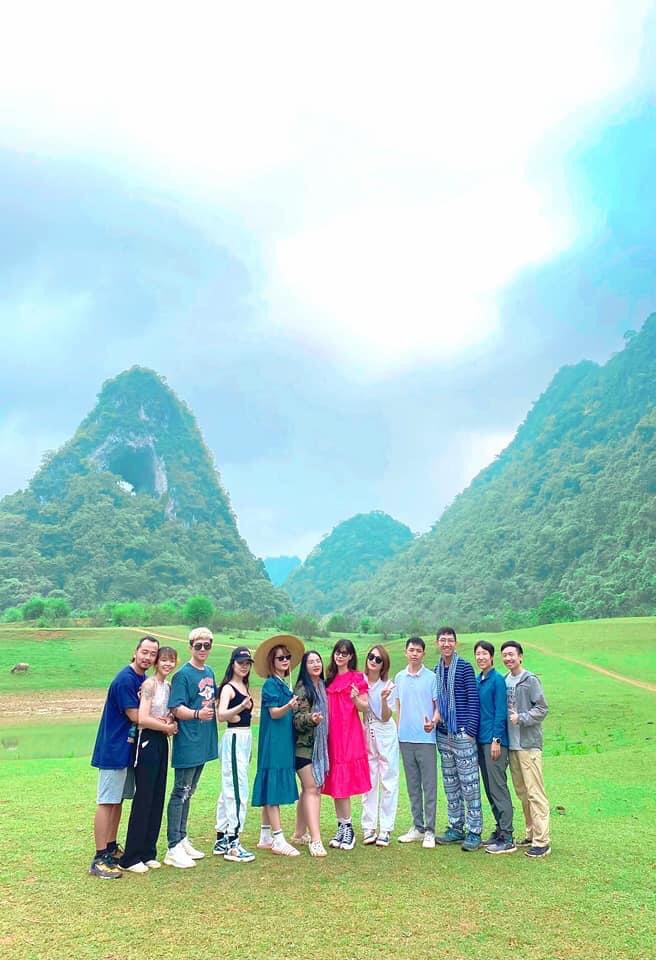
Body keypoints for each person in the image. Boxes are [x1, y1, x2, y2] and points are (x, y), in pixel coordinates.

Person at [89, 634, 160, 879]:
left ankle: (110, 847)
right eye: (145, 652)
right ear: (135, 652)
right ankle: (99, 857)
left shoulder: (143, 679)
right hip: (113, 749)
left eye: (153, 654)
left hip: (127, 751)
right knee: (107, 801)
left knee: (118, 800)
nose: (148, 657)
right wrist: (165, 724)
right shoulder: (125, 680)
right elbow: (136, 716)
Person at [118, 646, 179, 873]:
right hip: (147, 741)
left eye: (171, 660)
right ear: (156, 662)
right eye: (163, 660)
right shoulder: (149, 685)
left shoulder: (168, 686)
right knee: (144, 797)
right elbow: (142, 718)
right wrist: (166, 727)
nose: (167, 664)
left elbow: (167, 712)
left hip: (161, 740)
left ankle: (148, 852)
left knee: (157, 796)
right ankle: (131, 857)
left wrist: (170, 721)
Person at [164, 626, 218, 868]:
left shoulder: (210, 671)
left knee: (190, 791)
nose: (203, 649)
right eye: (198, 645)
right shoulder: (183, 675)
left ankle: (182, 837)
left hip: (203, 740)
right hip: (188, 740)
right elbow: (176, 707)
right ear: (190, 647)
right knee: (180, 791)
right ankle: (173, 845)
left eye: (207, 645)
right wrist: (197, 714)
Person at [252, 634, 304, 856]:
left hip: (283, 741)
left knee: (270, 784)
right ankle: (279, 838)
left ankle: (265, 835)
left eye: (287, 657)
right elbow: (274, 713)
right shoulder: (270, 685)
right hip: (273, 742)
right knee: (272, 787)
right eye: (280, 658)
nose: (285, 661)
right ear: (272, 661)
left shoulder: (283, 684)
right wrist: (289, 706)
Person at [501, 640, 551, 858]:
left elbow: (542, 708)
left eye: (511, 654)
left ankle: (542, 841)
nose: (508, 658)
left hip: (528, 745)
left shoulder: (530, 680)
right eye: (505, 655)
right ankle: (531, 833)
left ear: (520, 656)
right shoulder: (505, 680)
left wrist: (521, 717)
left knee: (535, 793)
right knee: (522, 793)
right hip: (512, 746)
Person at [434, 626, 483, 851]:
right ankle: (456, 827)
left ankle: (474, 831)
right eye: (442, 640)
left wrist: (470, 730)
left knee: (469, 784)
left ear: (456, 643)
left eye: (450, 640)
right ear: (437, 643)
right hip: (444, 734)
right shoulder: (437, 670)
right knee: (451, 783)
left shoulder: (464, 667)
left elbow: (473, 700)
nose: (446, 644)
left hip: (462, 733)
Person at [322, 639, 370, 851]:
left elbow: (365, 706)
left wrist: (355, 698)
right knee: (335, 783)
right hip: (331, 736)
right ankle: (341, 826)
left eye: (344, 653)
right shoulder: (329, 679)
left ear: (351, 656)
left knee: (344, 782)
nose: (340, 656)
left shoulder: (357, 678)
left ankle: (348, 828)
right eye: (337, 652)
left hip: (349, 735)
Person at [395, 636, 440, 848]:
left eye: (418, 651)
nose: (414, 654)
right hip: (405, 739)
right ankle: (418, 827)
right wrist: (398, 730)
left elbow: (438, 706)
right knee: (413, 786)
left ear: (423, 654)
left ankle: (430, 830)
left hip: (426, 739)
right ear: (406, 652)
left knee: (428, 786)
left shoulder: (431, 678)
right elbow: (398, 706)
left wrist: (434, 722)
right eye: (411, 650)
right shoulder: (399, 677)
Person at [213, 646, 256, 864]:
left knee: (230, 787)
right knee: (237, 790)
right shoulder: (229, 688)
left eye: (247, 663)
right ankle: (233, 842)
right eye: (241, 663)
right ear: (233, 664)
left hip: (244, 738)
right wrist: (240, 707)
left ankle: (222, 837)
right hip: (234, 737)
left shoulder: (244, 685)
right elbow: (221, 715)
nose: (244, 666)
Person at [474, 640, 515, 854]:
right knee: (490, 789)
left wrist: (496, 739)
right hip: (481, 741)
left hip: (494, 743)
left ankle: (507, 836)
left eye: (484, 654)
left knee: (498, 787)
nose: (481, 657)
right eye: (478, 654)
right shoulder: (478, 680)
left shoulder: (497, 680)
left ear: (491, 657)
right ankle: (499, 829)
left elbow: (500, 711)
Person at [291, 650, 330, 857]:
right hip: (303, 748)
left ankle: (299, 834)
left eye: (318, 661)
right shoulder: (302, 689)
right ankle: (316, 840)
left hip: (319, 747)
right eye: (311, 662)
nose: (316, 664)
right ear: (304, 667)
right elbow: (296, 720)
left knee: (308, 790)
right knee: (313, 788)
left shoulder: (323, 686)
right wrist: (311, 719)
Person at [361, 644, 399, 847]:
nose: (373, 661)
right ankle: (368, 826)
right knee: (369, 779)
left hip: (385, 731)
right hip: (368, 730)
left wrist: (384, 699)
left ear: (384, 664)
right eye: (371, 657)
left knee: (388, 780)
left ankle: (385, 829)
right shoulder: (360, 681)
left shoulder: (388, 685)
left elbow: (385, 716)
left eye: (378, 659)